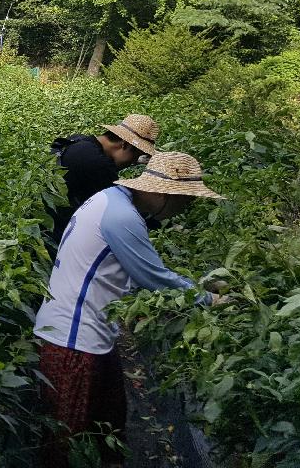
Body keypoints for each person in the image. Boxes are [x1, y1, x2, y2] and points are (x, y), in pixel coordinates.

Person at [34, 151, 226, 467]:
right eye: (183, 200)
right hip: (74, 340)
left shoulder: (111, 200)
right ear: (161, 192)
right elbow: (153, 277)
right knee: (64, 443)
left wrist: (197, 285)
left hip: (86, 333)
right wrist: (209, 300)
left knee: (109, 424)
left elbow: (131, 274)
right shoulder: (121, 217)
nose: (183, 208)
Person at [48, 114, 159, 248]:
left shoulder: (79, 141)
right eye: (134, 157)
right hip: (56, 236)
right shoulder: (99, 165)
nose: (133, 162)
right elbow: (124, 210)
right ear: (124, 144)